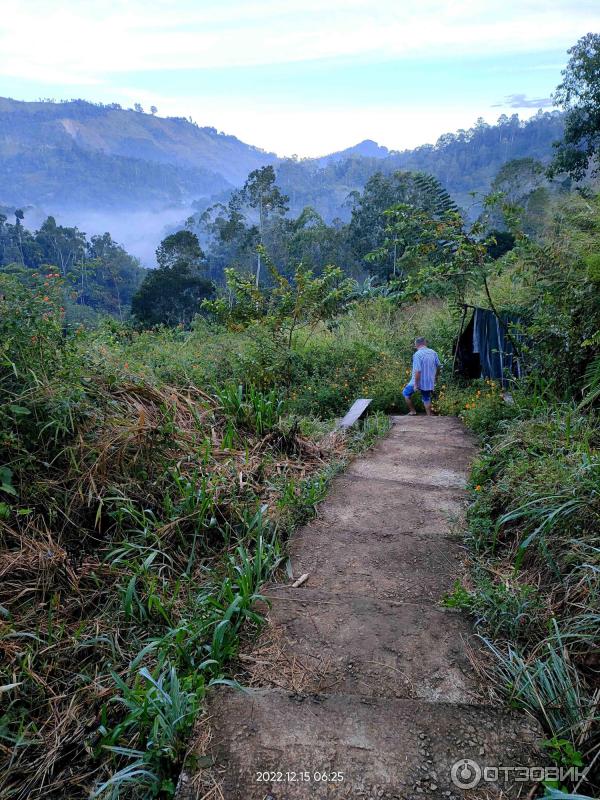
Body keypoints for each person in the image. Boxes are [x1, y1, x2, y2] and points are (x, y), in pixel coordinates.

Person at [402, 337, 441, 417]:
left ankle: (413, 411)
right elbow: (439, 366)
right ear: (425, 343)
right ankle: (429, 416)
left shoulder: (417, 354)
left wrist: (416, 384)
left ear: (417, 345)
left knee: (406, 393)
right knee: (426, 397)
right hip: (428, 381)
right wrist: (436, 377)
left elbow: (418, 371)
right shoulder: (433, 352)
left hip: (417, 380)